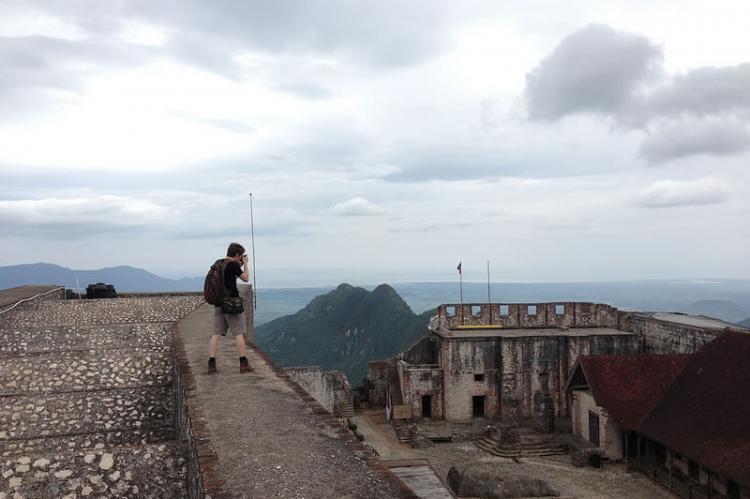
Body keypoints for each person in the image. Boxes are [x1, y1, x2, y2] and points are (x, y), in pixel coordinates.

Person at [208, 242, 253, 374]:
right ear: (237, 255)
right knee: (238, 333)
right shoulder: (233, 265)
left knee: (216, 334)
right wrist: (245, 264)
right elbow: (245, 278)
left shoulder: (218, 263)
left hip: (218, 302)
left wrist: (239, 263)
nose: (241, 258)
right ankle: (243, 363)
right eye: (240, 256)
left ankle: (211, 363)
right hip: (231, 303)